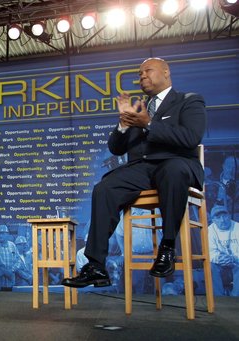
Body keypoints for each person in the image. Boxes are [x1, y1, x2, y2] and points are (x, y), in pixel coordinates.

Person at [62, 57, 207, 288]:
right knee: (104, 188)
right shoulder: (138, 108)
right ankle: (96, 265)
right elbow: (116, 148)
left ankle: (167, 248)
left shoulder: (188, 101)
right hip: (143, 169)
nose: (142, 77)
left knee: (172, 170)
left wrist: (148, 123)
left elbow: (190, 138)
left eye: (147, 71)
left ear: (166, 72)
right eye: (139, 74)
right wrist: (123, 123)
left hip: (177, 164)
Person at [208, 205, 239, 296]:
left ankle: (235, 297)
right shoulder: (209, 230)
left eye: (224, 216)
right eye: (218, 217)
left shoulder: (237, 227)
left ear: (229, 216)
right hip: (220, 263)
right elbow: (210, 251)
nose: (222, 220)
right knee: (210, 266)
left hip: (236, 261)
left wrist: (233, 258)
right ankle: (219, 297)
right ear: (213, 220)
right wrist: (219, 258)